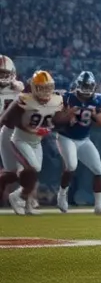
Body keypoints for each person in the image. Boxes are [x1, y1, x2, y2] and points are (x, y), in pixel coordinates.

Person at [2, 70, 65, 215]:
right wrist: (32, 130)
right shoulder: (25, 99)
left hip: (37, 142)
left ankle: (28, 205)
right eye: (41, 87)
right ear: (34, 87)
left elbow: (55, 121)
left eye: (47, 87)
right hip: (20, 139)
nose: (44, 91)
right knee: (33, 168)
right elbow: (7, 120)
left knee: (35, 173)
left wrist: (51, 127)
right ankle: (17, 195)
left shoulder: (56, 100)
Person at [54, 70, 101, 215]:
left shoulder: (98, 100)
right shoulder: (66, 98)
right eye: (84, 86)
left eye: (89, 86)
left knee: (98, 168)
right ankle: (62, 195)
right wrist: (69, 114)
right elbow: (56, 121)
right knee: (71, 165)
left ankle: (98, 206)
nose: (87, 90)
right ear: (78, 85)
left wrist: (94, 115)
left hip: (84, 139)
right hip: (65, 137)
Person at [0, 56, 25, 205]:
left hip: (10, 132)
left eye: (5, 73)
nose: (2, 77)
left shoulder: (18, 89)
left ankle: (27, 199)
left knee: (21, 169)